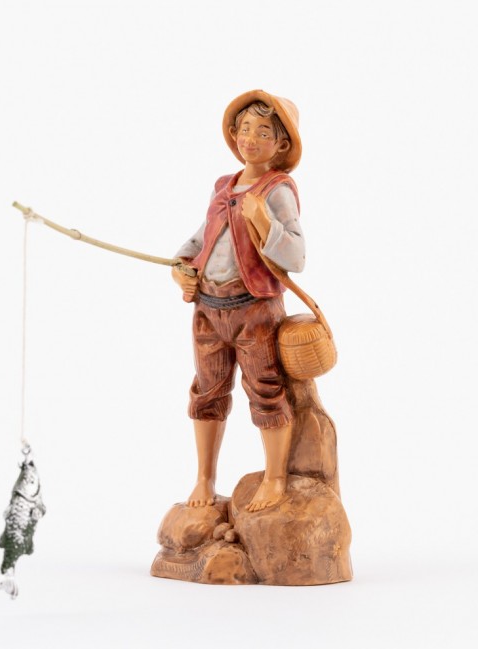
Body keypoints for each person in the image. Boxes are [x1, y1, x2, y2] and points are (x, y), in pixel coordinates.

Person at [172, 90, 306, 512]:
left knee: (265, 391)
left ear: (280, 144)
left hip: (254, 310)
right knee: (206, 391)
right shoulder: (223, 186)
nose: (250, 138)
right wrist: (182, 266)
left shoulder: (277, 191)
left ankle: (276, 478)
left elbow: (297, 257)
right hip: (209, 309)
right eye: (245, 128)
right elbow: (202, 238)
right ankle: (205, 479)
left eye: (263, 132)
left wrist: (264, 220)